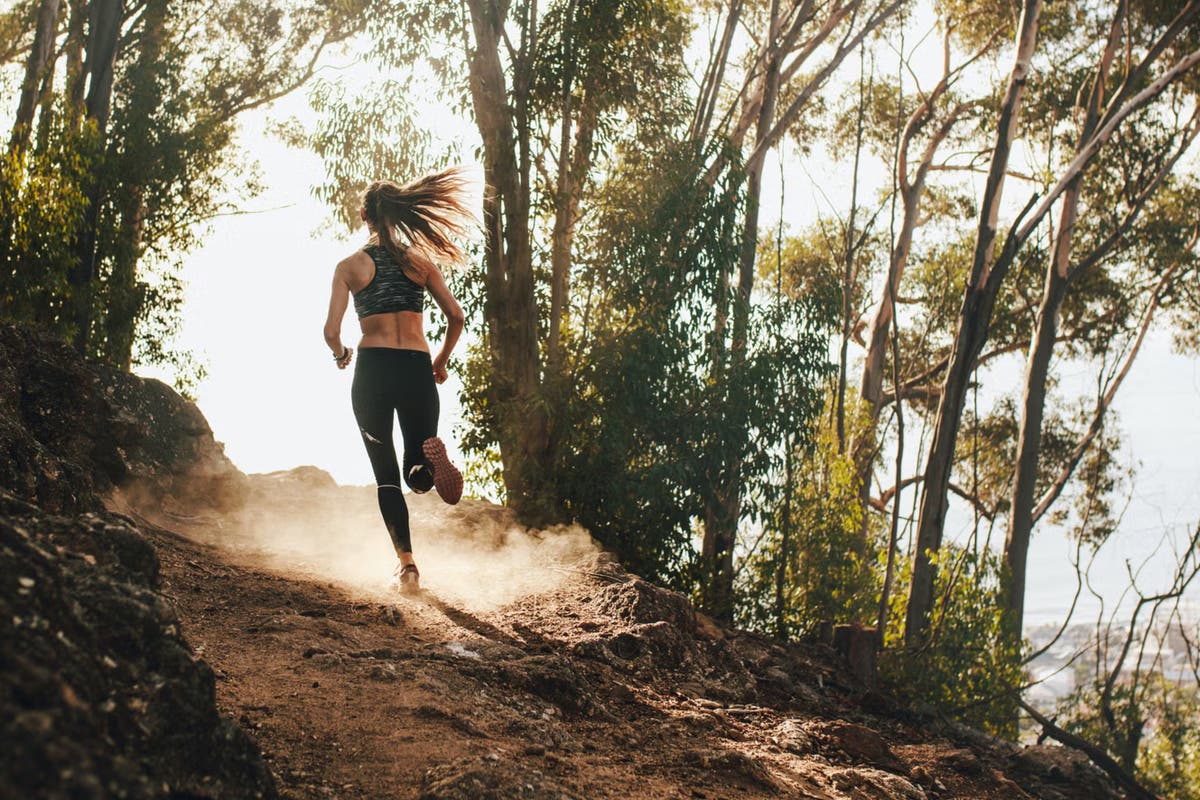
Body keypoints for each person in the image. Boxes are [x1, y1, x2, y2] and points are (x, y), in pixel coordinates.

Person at [323, 167, 472, 594]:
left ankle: (407, 567)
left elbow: (331, 332)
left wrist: (341, 354)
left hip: (373, 368)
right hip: (415, 366)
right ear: (400, 215)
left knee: (387, 475)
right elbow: (456, 317)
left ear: (366, 216)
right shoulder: (420, 264)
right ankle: (429, 459)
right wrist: (440, 362)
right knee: (416, 472)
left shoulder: (350, 267)